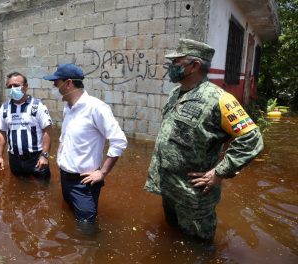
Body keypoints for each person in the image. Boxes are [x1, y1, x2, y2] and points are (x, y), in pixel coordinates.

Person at [144, 38, 264, 241]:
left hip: (194, 195)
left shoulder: (220, 99)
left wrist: (219, 172)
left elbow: (252, 139)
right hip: (169, 188)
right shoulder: (176, 93)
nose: (171, 67)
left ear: (194, 65)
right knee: (171, 238)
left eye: (177, 62)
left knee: (197, 249)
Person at [43, 64, 128, 234]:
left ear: (68, 83)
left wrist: (102, 173)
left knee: (87, 231)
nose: (54, 87)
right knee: (68, 218)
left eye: (56, 83)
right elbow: (66, 139)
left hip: (84, 183)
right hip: (65, 177)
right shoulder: (68, 108)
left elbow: (119, 141)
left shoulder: (96, 108)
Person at [0, 72, 52, 180]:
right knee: (18, 187)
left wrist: (44, 156)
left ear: (25, 87)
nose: (12, 88)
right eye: (9, 86)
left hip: (36, 158)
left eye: (16, 85)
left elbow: (47, 131)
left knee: (42, 190)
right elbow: (1, 132)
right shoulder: (5, 108)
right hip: (14, 160)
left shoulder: (37, 105)